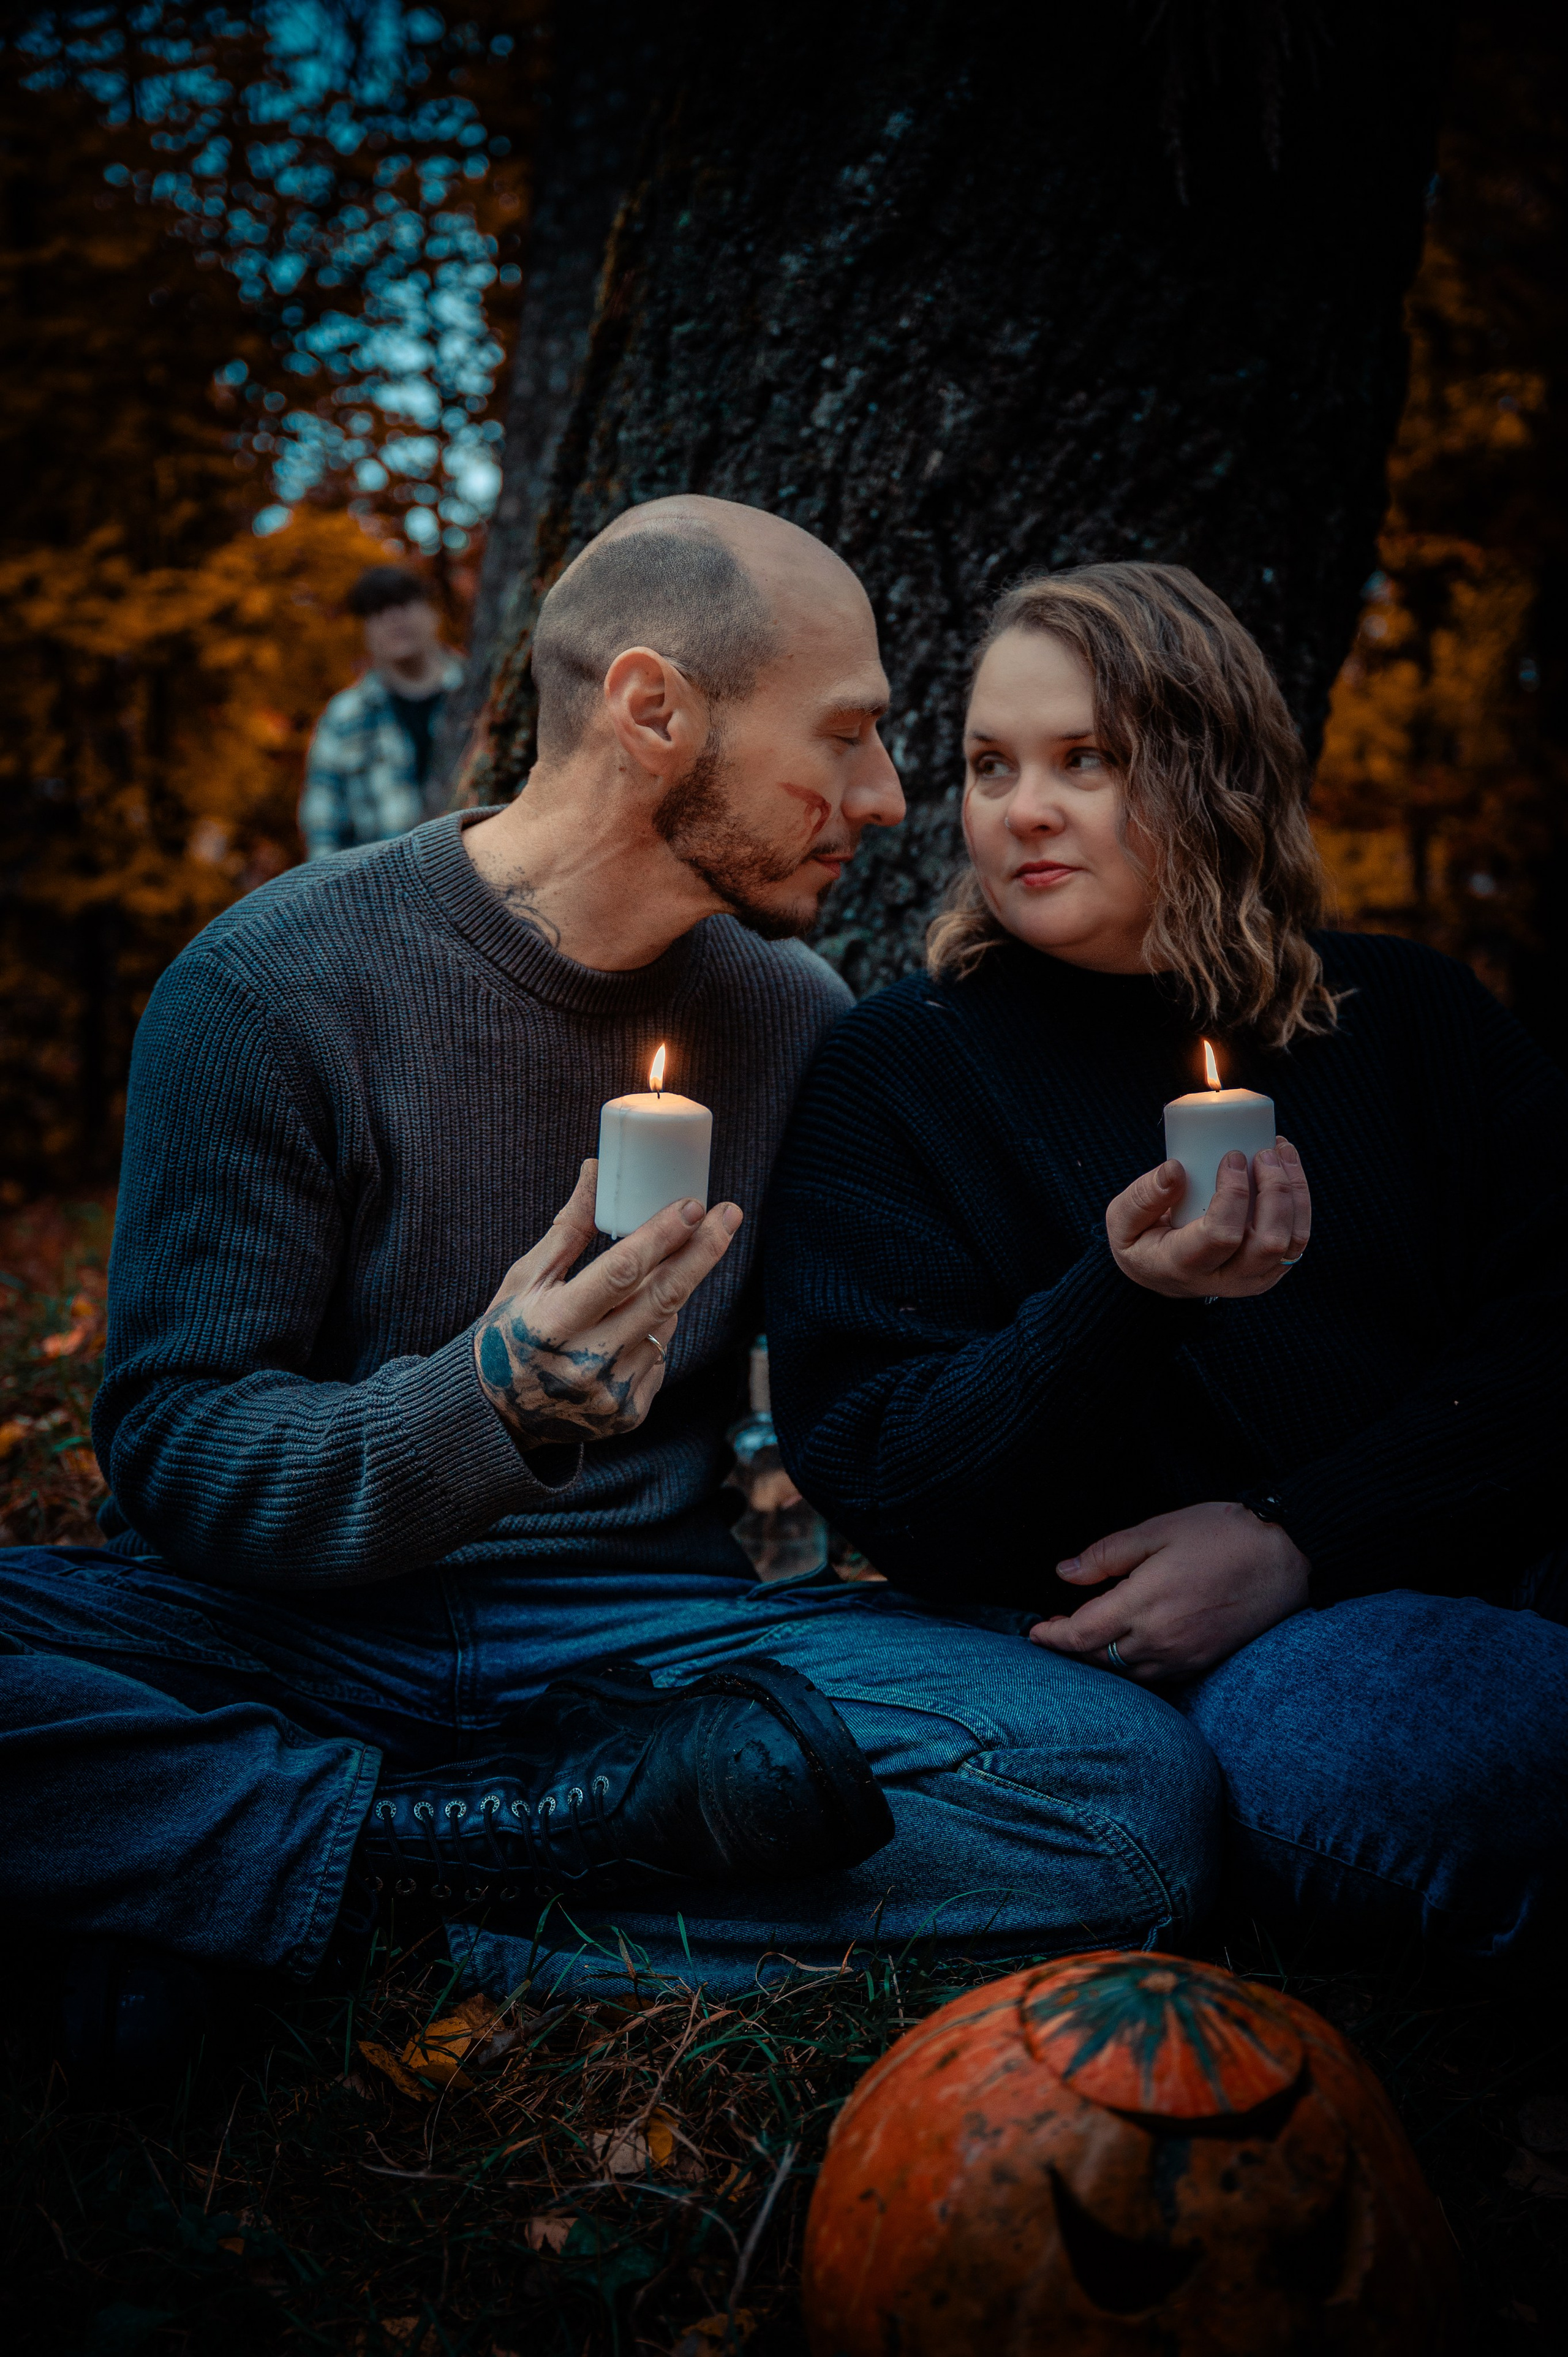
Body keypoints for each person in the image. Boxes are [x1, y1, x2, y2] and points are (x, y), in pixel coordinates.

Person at [0, 503, 1221, 2083]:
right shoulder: (269, 985)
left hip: (648, 1653)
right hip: (289, 1636)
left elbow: (878, 1414)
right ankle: (428, 1853)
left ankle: (308, 1875)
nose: (888, 796)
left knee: (1129, 1795)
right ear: (653, 711)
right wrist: (483, 1402)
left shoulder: (795, 1020)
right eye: (845, 736)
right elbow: (176, 1462)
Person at [765, 560, 1568, 1968]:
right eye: (988, 763)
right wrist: (1120, 1299)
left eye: (1086, 758)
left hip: (1494, 1550)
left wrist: (1300, 1529)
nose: (1020, 807)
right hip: (1221, 1678)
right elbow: (887, 1466)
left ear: (1212, 768)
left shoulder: (1410, 1020)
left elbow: (1548, 1328)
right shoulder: (897, 1071)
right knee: (1464, 1743)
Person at [298, 565, 464, 858]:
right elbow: (323, 830)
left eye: (404, 603)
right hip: (388, 894)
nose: (393, 618)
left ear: (433, 613)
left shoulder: (484, 691)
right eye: (377, 611)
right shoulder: (344, 717)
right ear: (366, 633)